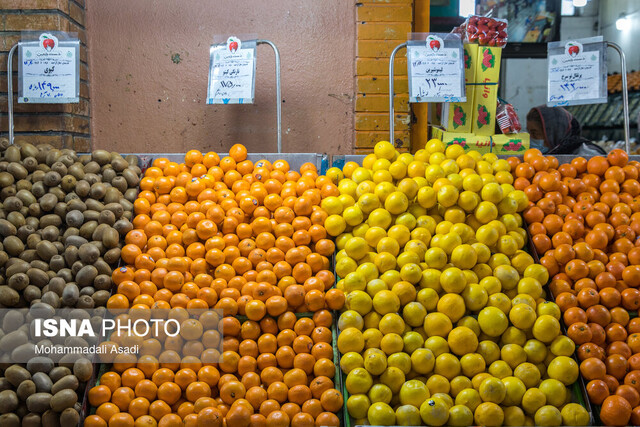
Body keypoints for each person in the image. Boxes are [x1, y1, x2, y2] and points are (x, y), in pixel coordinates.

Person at [526, 105, 606, 155]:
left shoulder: (587, 156)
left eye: (534, 133)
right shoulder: (540, 158)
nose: (530, 138)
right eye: (528, 132)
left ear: (554, 133)